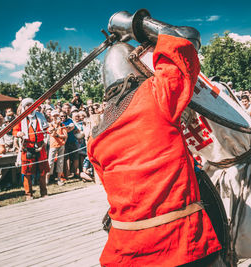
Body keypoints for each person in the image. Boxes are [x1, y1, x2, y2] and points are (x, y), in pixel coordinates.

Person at [87, 11, 221, 266]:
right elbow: (186, 41)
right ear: (139, 71)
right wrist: (135, 25)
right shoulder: (156, 95)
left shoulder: (95, 137)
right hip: (181, 245)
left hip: (124, 253)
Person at [13, 98, 50, 200]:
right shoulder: (20, 118)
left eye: (31, 105)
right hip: (27, 148)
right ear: (24, 107)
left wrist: (50, 129)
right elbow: (15, 131)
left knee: (43, 171)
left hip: (40, 147)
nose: (30, 107)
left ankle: (44, 192)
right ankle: (28, 194)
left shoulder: (40, 116)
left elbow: (46, 128)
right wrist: (19, 133)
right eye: (27, 105)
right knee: (27, 173)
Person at [46, 110, 68, 186]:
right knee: (50, 162)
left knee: (60, 162)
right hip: (53, 145)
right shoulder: (50, 125)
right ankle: (47, 180)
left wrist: (59, 136)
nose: (55, 117)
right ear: (51, 117)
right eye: (54, 116)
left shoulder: (62, 125)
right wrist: (56, 131)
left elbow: (65, 135)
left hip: (61, 145)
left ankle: (59, 179)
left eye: (56, 115)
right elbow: (52, 134)